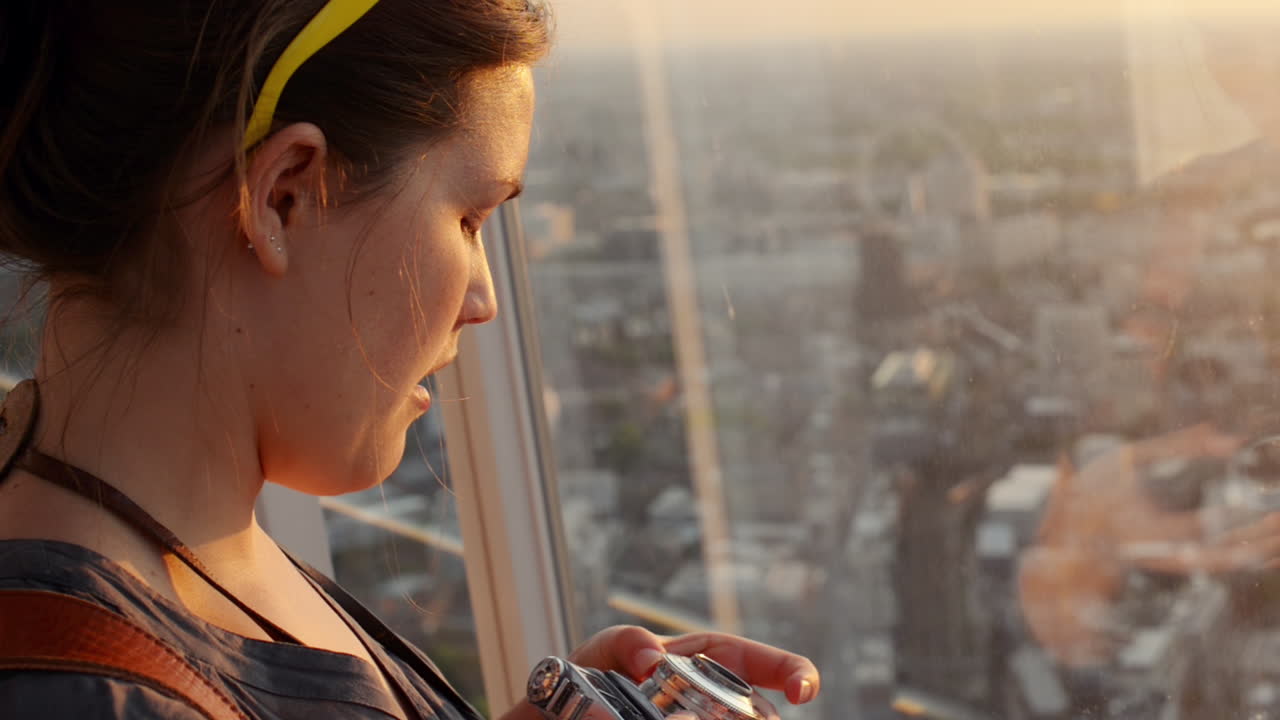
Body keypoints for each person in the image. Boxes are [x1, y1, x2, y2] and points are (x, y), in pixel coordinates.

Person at [0, 2, 821, 718]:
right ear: (285, 194)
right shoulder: (98, 690)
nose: (485, 297)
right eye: (469, 219)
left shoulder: (175, 554)